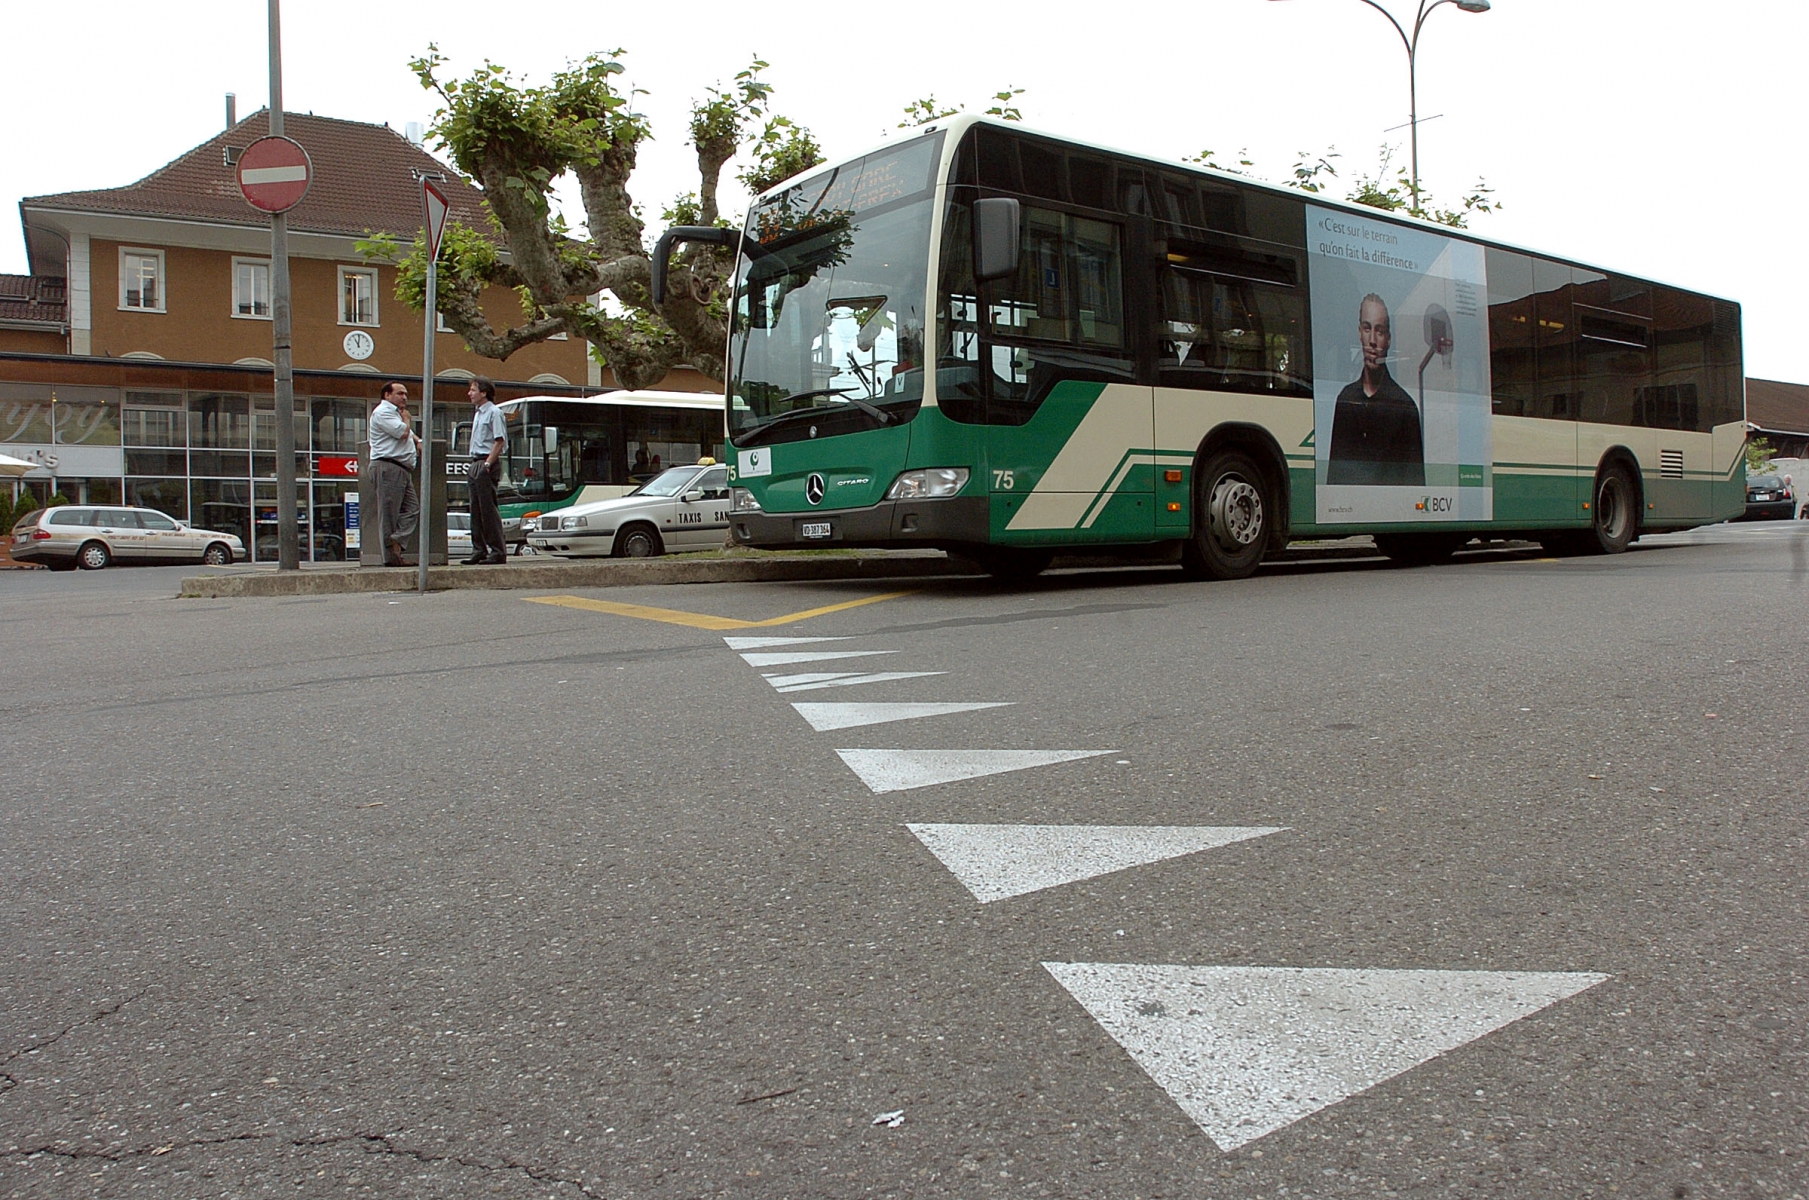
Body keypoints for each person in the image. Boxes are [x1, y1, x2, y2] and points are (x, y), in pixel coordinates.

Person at [1327, 293, 1424, 486]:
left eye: (1379, 331)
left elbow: (1415, 484)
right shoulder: (1345, 399)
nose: (1372, 340)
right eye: (1367, 328)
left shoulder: (1405, 406)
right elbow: (1334, 479)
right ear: (1359, 333)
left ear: (1388, 339)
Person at [367, 380, 422, 567]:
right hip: (388, 467)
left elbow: (409, 433)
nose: (404, 397)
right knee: (389, 514)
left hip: (402, 469)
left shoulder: (395, 414)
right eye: (400, 393)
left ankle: (396, 541)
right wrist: (407, 420)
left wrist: (418, 440)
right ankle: (391, 557)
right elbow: (402, 433)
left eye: (405, 394)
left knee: (412, 508)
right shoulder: (383, 412)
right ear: (387, 395)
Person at [465, 376, 508, 565]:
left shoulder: (494, 412)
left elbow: (500, 440)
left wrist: (488, 464)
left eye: (473, 390)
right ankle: (479, 549)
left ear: (484, 392)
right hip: (475, 461)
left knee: (488, 508)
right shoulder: (478, 413)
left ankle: (497, 550)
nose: (470, 393)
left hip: (486, 461)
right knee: (475, 508)